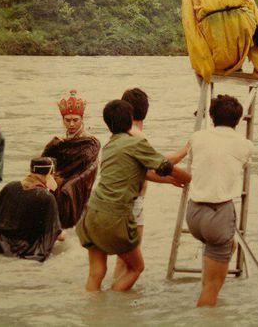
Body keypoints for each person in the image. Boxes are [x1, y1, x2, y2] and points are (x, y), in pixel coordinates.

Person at [76, 99, 191, 292]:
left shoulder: (110, 146)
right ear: (130, 120)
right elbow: (165, 166)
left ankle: (94, 313)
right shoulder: (136, 143)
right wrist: (190, 178)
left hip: (91, 213)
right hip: (114, 217)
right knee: (136, 268)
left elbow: (138, 171)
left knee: (97, 272)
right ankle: (115, 307)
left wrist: (169, 181)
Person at [113, 87, 189, 280]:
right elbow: (158, 165)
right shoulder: (137, 135)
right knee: (132, 263)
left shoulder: (121, 133)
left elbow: (143, 170)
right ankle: (120, 298)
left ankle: (114, 300)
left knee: (123, 260)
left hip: (117, 200)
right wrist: (185, 152)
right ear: (145, 111)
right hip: (133, 203)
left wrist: (169, 179)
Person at [186, 94, 254, 306]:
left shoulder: (197, 137)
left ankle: (208, 287)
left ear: (212, 116)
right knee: (212, 287)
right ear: (239, 119)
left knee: (227, 246)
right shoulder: (245, 145)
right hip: (218, 214)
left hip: (194, 214)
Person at [0, 157, 64, 262]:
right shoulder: (46, 197)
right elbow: (54, 233)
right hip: (20, 251)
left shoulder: (9, 187)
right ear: (49, 174)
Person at [41, 90, 100, 228]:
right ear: (63, 120)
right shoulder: (59, 141)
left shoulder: (90, 142)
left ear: (82, 119)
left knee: (62, 191)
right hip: (58, 178)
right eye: (67, 120)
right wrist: (52, 146)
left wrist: (61, 180)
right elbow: (44, 161)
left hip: (76, 182)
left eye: (75, 120)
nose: (71, 124)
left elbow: (86, 168)